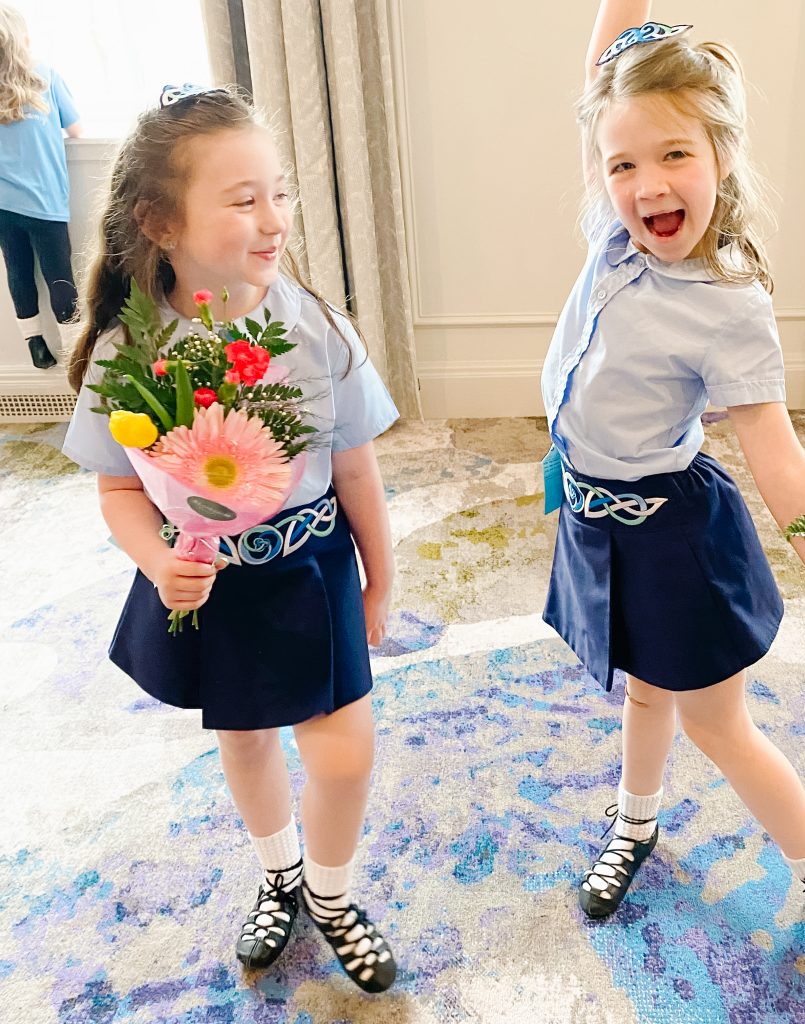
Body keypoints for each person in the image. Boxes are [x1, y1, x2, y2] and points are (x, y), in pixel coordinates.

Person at [541, 2, 805, 928]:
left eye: (676, 155)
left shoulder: (730, 308)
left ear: (722, 152)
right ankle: (635, 822)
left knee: (714, 721)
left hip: (676, 534)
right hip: (597, 519)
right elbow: (599, 77)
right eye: (625, 164)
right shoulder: (616, 229)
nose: (648, 182)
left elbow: (787, 470)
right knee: (644, 688)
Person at [62, 86, 399, 992]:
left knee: (344, 752)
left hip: (311, 563)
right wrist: (156, 558)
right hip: (207, 580)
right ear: (160, 222)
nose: (275, 219)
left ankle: (329, 893)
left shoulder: (315, 329)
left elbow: (358, 469)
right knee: (245, 737)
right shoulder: (127, 352)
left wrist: (379, 578)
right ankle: (278, 872)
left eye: (280, 194)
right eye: (245, 200)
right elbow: (119, 488)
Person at [0, 3, 81, 369]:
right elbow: (76, 130)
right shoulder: (45, 75)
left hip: (3, 204)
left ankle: (35, 343)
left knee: (18, 271)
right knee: (58, 274)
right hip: (45, 201)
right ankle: (72, 346)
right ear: (23, 39)